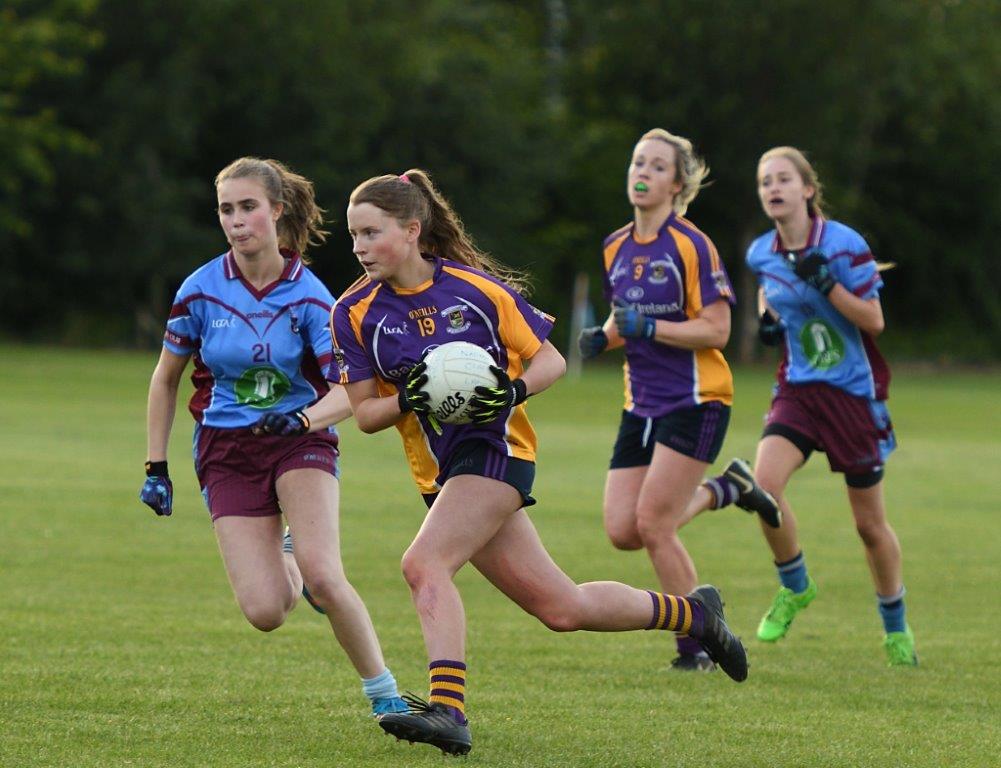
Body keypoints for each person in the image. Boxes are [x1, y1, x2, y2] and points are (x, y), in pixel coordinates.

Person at [331, 169, 748, 757]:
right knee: (562, 607)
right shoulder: (353, 313)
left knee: (424, 564)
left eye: (371, 233)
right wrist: (413, 395)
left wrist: (510, 392)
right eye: (354, 236)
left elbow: (548, 362)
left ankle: (449, 709)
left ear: (412, 229)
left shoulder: (475, 290)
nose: (359, 248)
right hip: (440, 474)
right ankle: (695, 615)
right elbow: (366, 415)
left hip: (498, 451)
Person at [138, 156, 409, 718]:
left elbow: (346, 392)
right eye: (226, 210)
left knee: (325, 577)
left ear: (276, 211)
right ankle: (288, 552)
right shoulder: (200, 291)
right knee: (265, 611)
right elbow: (165, 380)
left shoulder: (311, 297)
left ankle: (385, 697)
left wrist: (304, 420)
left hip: (298, 441)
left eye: (248, 208)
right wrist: (155, 467)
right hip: (226, 451)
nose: (237, 222)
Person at [576, 128, 781, 672]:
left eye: (657, 166)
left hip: (697, 398)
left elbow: (716, 330)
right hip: (639, 403)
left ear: (677, 183)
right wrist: (605, 336)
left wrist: (650, 325)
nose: (642, 172)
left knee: (654, 524)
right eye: (637, 161)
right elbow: (626, 322)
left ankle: (698, 645)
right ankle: (727, 488)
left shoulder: (691, 244)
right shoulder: (615, 245)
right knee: (623, 531)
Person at [745, 146, 916, 666]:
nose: (772, 188)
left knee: (869, 526)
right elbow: (767, 297)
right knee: (762, 489)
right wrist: (768, 322)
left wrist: (829, 284)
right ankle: (795, 586)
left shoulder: (845, 245)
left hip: (852, 398)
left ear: (807, 190)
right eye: (764, 182)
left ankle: (896, 628)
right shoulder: (760, 252)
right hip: (798, 390)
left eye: (782, 179)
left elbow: (873, 320)